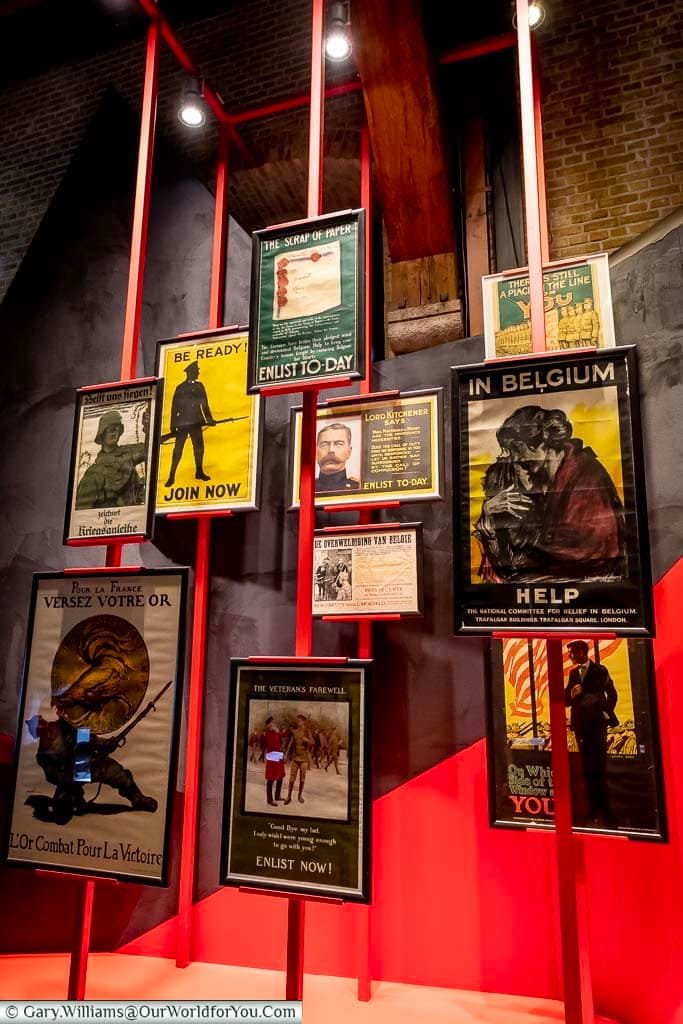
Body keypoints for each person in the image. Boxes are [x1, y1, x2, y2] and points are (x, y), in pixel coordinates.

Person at [474, 405, 626, 582]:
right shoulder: (535, 477)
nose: (515, 459)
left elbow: (587, 549)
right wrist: (488, 512)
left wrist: (522, 561)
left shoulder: (588, 476)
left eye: (517, 449)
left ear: (542, 444)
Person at [25, 714, 157, 825]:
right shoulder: (42, 755)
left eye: (39, 720)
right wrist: (72, 776)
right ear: (35, 732)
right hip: (70, 778)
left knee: (116, 772)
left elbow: (84, 735)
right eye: (36, 725)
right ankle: (75, 799)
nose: (40, 723)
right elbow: (53, 777)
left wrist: (104, 744)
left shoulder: (64, 725)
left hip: (86, 763)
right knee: (63, 808)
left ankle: (137, 798)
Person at [564, 640, 619, 823]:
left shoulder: (600, 670)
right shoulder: (573, 674)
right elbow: (566, 700)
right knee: (587, 767)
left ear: (582, 651)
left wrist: (605, 711)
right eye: (569, 653)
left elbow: (612, 693)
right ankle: (593, 808)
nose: (570, 656)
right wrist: (571, 694)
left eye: (573, 653)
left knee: (599, 766)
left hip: (597, 725)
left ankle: (605, 809)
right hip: (581, 726)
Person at [75, 408, 147, 509]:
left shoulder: (128, 453)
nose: (114, 433)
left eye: (117, 429)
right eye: (111, 430)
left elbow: (149, 449)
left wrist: (148, 428)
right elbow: (81, 511)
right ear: (102, 433)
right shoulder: (94, 474)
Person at [165, 361, 215, 488]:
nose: (198, 372)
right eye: (196, 371)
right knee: (178, 451)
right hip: (182, 424)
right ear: (190, 372)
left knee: (199, 449)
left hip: (196, 423)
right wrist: (172, 426)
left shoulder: (200, 386)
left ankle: (199, 472)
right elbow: (174, 408)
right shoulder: (180, 388)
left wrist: (209, 419)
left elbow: (204, 404)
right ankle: (171, 476)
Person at [315, 423, 360, 493]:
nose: (331, 450)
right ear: (316, 452)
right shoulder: (303, 490)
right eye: (324, 445)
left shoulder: (358, 488)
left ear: (349, 452)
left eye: (338, 444)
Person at [284, 714, 313, 804]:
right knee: (292, 779)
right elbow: (290, 744)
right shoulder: (295, 732)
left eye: (300, 721)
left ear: (303, 722)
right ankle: (289, 796)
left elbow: (313, 742)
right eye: (298, 721)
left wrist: (306, 740)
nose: (298, 723)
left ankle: (299, 795)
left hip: (304, 759)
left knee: (302, 779)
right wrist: (286, 754)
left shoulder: (307, 732)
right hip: (295, 758)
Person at [262, 716, 285, 806]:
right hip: (272, 756)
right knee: (270, 779)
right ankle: (269, 800)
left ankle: (277, 796)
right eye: (272, 723)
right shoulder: (266, 733)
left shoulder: (276, 733)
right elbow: (264, 743)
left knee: (281, 777)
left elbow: (282, 737)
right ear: (268, 725)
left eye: (274, 723)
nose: (274, 724)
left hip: (278, 756)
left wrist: (280, 732)